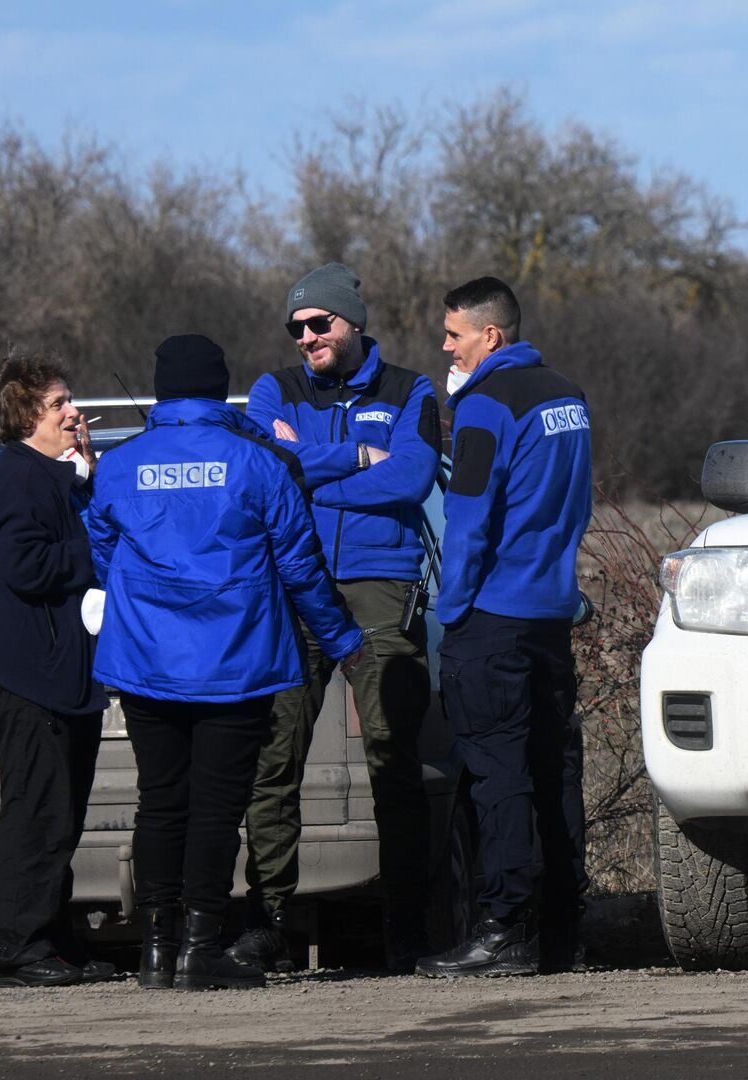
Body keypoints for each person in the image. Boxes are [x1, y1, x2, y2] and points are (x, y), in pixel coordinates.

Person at [88, 335, 364, 991]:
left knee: (159, 804)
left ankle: (155, 951)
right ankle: (200, 951)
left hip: (147, 662)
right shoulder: (257, 463)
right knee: (216, 810)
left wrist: (150, 603)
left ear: (160, 390)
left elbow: (102, 553)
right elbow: (301, 565)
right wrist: (345, 640)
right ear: (219, 388)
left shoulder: (120, 465)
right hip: (235, 661)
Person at [233, 262, 440, 973]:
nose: (307, 337)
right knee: (274, 755)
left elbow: (411, 478)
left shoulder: (411, 390)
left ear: (354, 321)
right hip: (294, 585)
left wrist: (310, 475)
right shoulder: (272, 389)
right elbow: (266, 467)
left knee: (392, 759)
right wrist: (353, 456)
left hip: (381, 585)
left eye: (320, 323)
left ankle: (409, 928)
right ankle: (270, 926)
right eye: (296, 327)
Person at [417, 277, 593, 978]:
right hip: (551, 613)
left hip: (493, 617)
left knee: (498, 778)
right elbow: (573, 505)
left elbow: (467, 523)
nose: (446, 346)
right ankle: (562, 931)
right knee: (555, 774)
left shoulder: (487, 405)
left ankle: (505, 930)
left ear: (491, 336)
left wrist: (453, 609)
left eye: (455, 334)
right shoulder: (568, 397)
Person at [0, 355, 114, 988]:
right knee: (35, 812)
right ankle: (14, 948)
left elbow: (67, 516)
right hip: (25, 674)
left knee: (62, 816)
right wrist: (95, 546)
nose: (73, 411)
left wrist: (85, 477)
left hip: (64, 677)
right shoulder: (15, 480)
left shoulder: (50, 477)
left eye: (70, 399)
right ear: (26, 414)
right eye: (59, 403)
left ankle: (51, 937)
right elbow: (23, 568)